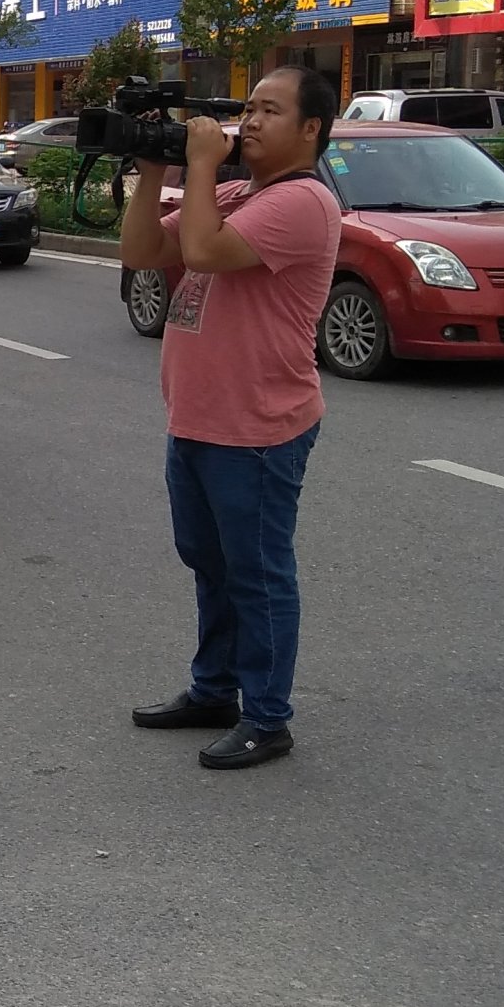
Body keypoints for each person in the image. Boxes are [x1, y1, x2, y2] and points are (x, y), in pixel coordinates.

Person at [116, 66, 342, 772]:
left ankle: (267, 717)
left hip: (258, 428)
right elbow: (142, 253)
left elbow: (204, 251)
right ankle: (214, 690)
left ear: (310, 128)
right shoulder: (239, 194)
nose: (250, 121)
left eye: (270, 110)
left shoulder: (303, 201)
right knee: (210, 565)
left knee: (258, 574)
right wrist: (154, 172)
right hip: (198, 419)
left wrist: (202, 163)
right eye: (248, 107)